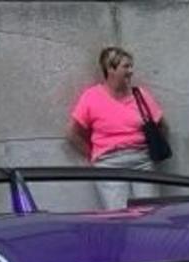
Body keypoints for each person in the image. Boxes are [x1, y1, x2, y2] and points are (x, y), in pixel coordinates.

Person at [67, 46, 168, 210]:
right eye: (126, 66)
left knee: (150, 213)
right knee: (118, 215)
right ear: (110, 69)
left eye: (131, 66)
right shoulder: (91, 97)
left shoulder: (140, 95)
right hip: (108, 164)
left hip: (142, 161)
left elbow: (162, 125)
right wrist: (94, 155)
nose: (131, 71)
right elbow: (72, 134)